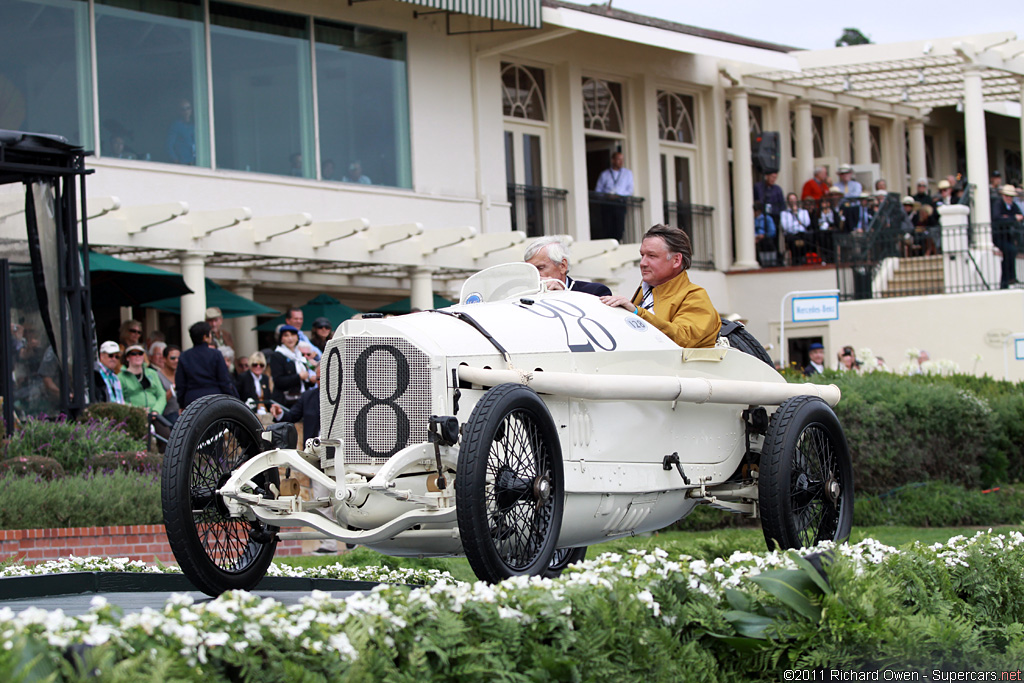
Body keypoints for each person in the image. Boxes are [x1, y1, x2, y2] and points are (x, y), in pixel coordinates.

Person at [600, 224, 720, 348]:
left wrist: (637, 312)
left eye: (652, 256)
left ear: (676, 260)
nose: (643, 263)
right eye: (642, 255)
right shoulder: (646, 290)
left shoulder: (695, 296)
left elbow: (683, 339)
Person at [176, 321, 239, 409]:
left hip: (191, 400)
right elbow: (224, 380)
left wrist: (182, 404)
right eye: (210, 334)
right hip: (214, 398)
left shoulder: (184, 356)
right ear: (205, 337)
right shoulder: (216, 354)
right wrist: (230, 398)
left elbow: (180, 384)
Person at [523, 236, 612, 296]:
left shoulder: (594, 292)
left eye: (540, 268)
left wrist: (563, 296)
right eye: (530, 270)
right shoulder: (522, 295)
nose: (535, 274)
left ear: (562, 266)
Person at [594, 151, 634, 241]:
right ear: (613, 160)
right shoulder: (604, 174)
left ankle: (618, 242)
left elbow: (630, 190)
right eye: (618, 159)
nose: (621, 162)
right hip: (607, 203)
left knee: (619, 227)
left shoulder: (627, 173)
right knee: (607, 226)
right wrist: (606, 196)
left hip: (620, 203)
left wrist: (618, 196)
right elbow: (598, 190)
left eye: (622, 160)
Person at [269, 325, 310, 408]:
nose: (290, 338)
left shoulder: (300, 356)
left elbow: (303, 383)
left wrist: (311, 380)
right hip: (284, 402)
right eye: (286, 335)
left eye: (293, 335)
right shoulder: (277, 355)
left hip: (300, 400)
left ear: (297, 338)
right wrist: (298, 377)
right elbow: (278, 381)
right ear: (281, 339)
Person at [119, 344, 166, 416]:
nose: (138, 356)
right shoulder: (121, 377)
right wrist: (136, 410)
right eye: (134, 354)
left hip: (154, 415)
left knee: (168, 426)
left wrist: (156, 410)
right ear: (127, 358)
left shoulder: (152, 373)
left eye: (140, 354)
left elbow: (162, 394)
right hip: (133, 415)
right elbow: (119, 399)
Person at [992, 184, 1022, 289]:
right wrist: (1012, 218)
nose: (1009, 198)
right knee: (1010, 251)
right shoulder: (998, 204)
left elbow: (1020, 216)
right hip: (999, 236)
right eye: (1007, 196)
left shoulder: (1013, 206)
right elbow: (997, 219)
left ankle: (1006, 280)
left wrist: (1007, 218)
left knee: (1010, 253)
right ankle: (1010, 277)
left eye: (1011, 196)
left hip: (1009, 237)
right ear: (1004, 196)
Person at [780, 192, 811, 265]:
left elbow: (806, 223)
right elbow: (786, 226)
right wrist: (797, 223)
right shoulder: (784, 213)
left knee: (808, 239)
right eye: (790, 199)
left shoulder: (803, 212)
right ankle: (795, 260)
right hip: (792, 234)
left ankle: (804, 259)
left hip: (802, 233)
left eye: (794, 199)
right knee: (793, 241)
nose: (793, 201)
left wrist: (796, 214)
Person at [753, 171, 785, 239]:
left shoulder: (777, 189)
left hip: (774, 215)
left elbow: (782, 203)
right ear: (767, 176)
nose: (773, 179)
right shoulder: (758, 187)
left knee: (774, 234)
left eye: (775, 178)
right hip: (761, 215)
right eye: (772, 177)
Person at [166, 98, 195, 165]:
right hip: (182, 164)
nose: (186, 111)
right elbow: (169, 146)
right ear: (179, 111)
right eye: (183, 109)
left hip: (195, 163)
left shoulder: (195, 126)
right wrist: (176, 161)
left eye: (188, 108)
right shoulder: (176, 126)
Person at [157, 344, 181, 424]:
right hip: (167, 415)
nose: (176, 361)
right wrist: (172, 388)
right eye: (172, 358)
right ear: (164, 359)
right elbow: (161, 398)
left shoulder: (181, 374)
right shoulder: (157, 376)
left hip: (183, 413)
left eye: (179, 358)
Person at [754, 201, 777, 267]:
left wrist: (763, 236)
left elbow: (772, 231)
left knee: (767, 243)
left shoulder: (767, 219)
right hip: (755, 239)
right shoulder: (752, 219)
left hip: (765, 239)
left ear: (759, 211)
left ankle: (768, 263)